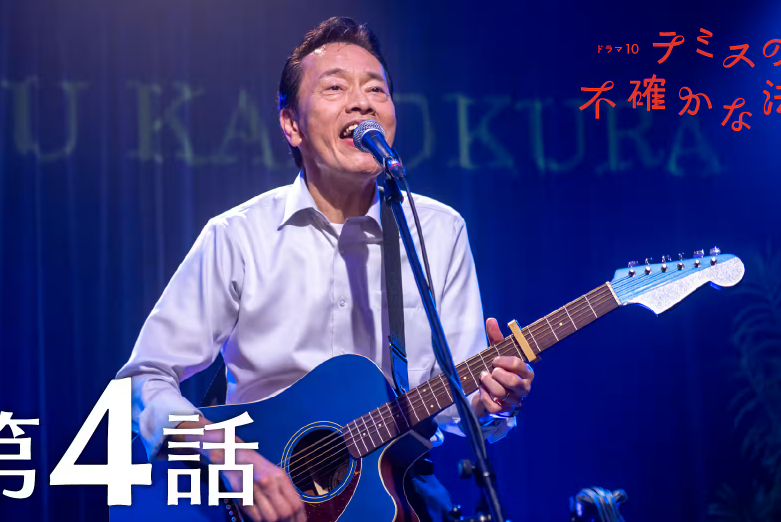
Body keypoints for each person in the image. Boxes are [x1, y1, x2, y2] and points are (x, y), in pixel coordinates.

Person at [116, 16, 534, 522]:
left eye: (376, 89)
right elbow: (142, 380)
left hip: (394, 497)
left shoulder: (438, 232)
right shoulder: (239, 235)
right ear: (291, 125)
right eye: (335, 88)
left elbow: (459, 405)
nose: (362, 103)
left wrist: (491, 402)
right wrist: (228, 456)